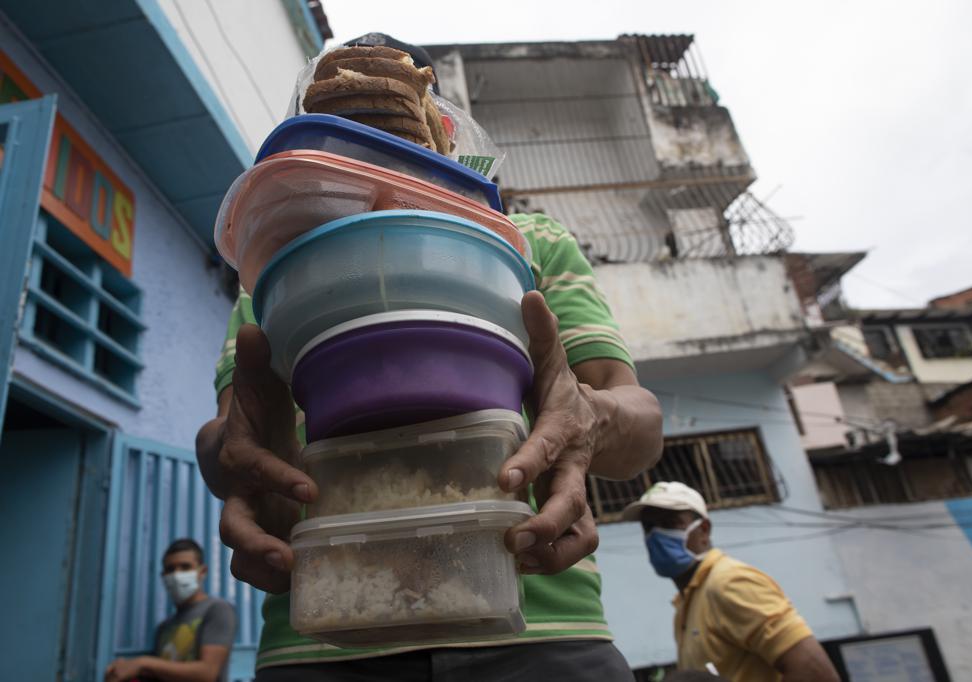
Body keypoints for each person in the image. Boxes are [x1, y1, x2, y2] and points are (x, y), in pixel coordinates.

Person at [195, 34, 664, 680]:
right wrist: (232, 459)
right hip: (326, 638)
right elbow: (233, 444)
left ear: (442, 133)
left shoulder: (530, 245)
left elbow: (641, 422)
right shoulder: (268, 274)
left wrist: (588, 416)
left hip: (541, 633)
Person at [623, 482, 840, 682]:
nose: (656, 535)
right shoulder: (688, 603)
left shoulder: (729, 582)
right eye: (648, 527)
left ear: (704, 530)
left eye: (670, 524)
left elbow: (815, 673)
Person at [104, 539, 237, 682]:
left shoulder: (218, 610)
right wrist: (125, 669)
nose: (176, 575)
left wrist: (142, 663)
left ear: (202, 571)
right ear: (163, 576)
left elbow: (207, 673)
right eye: (170, 569)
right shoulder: (164, 628)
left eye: (185, 567)